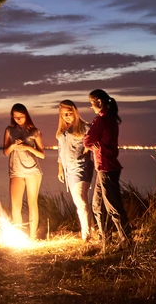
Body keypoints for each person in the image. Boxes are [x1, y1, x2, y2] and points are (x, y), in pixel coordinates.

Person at [83, 88, 132, 246]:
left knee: (112, 205)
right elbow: (91, 141)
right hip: (104, 167)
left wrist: (93, 143)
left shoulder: (102, 120)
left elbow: (87, 141)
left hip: (106, 167)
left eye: (92, 103)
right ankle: (106, 239)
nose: (91, 107)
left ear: (99, 102)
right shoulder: (111, 119)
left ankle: (126, 239)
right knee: (97, 205)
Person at [2, 103, 45, 239]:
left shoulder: (34, 132)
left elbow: (42, 154)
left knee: (32, 203)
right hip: (16, 171)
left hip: (33, 171)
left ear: (26, 115)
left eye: (21, 116)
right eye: (15, 117)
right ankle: (18, 236)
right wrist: (14, 145)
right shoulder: (9, 130)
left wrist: (27, 147)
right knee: (16, 205)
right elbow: (6, 152)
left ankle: (32, 237)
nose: (18, 119)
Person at [55, 99, 95, 240]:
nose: (66, 116)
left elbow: (93, 143)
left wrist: (86, 151)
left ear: (75, 112)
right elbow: (60, 151)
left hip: (81, 168)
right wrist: (60, 169)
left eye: (69, 113)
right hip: (69, 170)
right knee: (80, 201)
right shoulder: (63, 131)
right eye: (63, 114)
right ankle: (93, 231)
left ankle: (87, 236)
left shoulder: (85, 127)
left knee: (81, 202)